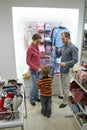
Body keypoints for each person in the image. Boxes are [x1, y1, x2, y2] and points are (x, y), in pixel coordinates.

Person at [57, 32, 78, 108]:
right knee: (62, 84)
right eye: (61, 38)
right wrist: (56, 51)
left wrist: (66, 64)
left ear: (68, 37)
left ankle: (65, 102)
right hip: (62, 69)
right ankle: (64, 96)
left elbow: (75, 60)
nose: (62, 40)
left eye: (63, 38)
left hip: (68, 69)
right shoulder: (63, 46)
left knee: (66, 86)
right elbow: (59, 54)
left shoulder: (73, 47)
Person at [26, 33, 42, 106]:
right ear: (33, 40)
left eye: (39, 42)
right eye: (37, 42)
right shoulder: (30, 49)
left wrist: (44, 56)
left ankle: (36, 97)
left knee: (38, 84)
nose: (38, 43)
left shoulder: (37, 47)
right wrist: (36, 68)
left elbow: (38, 56)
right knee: (35, 85)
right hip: (34, 70)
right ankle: (31, 99)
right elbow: (28, 62)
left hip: (39, 69)